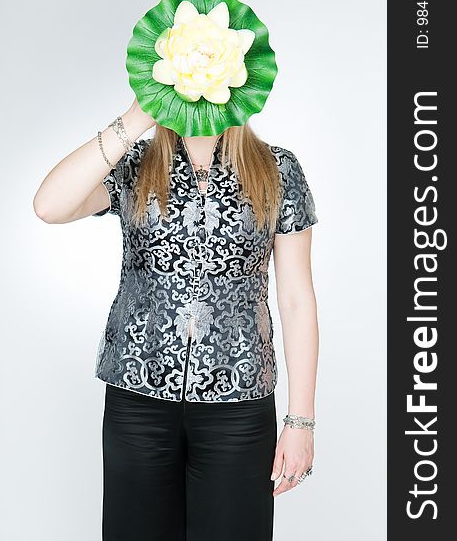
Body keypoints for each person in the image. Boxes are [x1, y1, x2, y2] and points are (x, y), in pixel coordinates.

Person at [33, 97, 320, 541]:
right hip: (138, 404)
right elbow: (50, 205)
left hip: (238, 406)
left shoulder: (277, 170)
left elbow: (297, 298)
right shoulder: (135, 165)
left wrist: (300, 421)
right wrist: (137, 116)